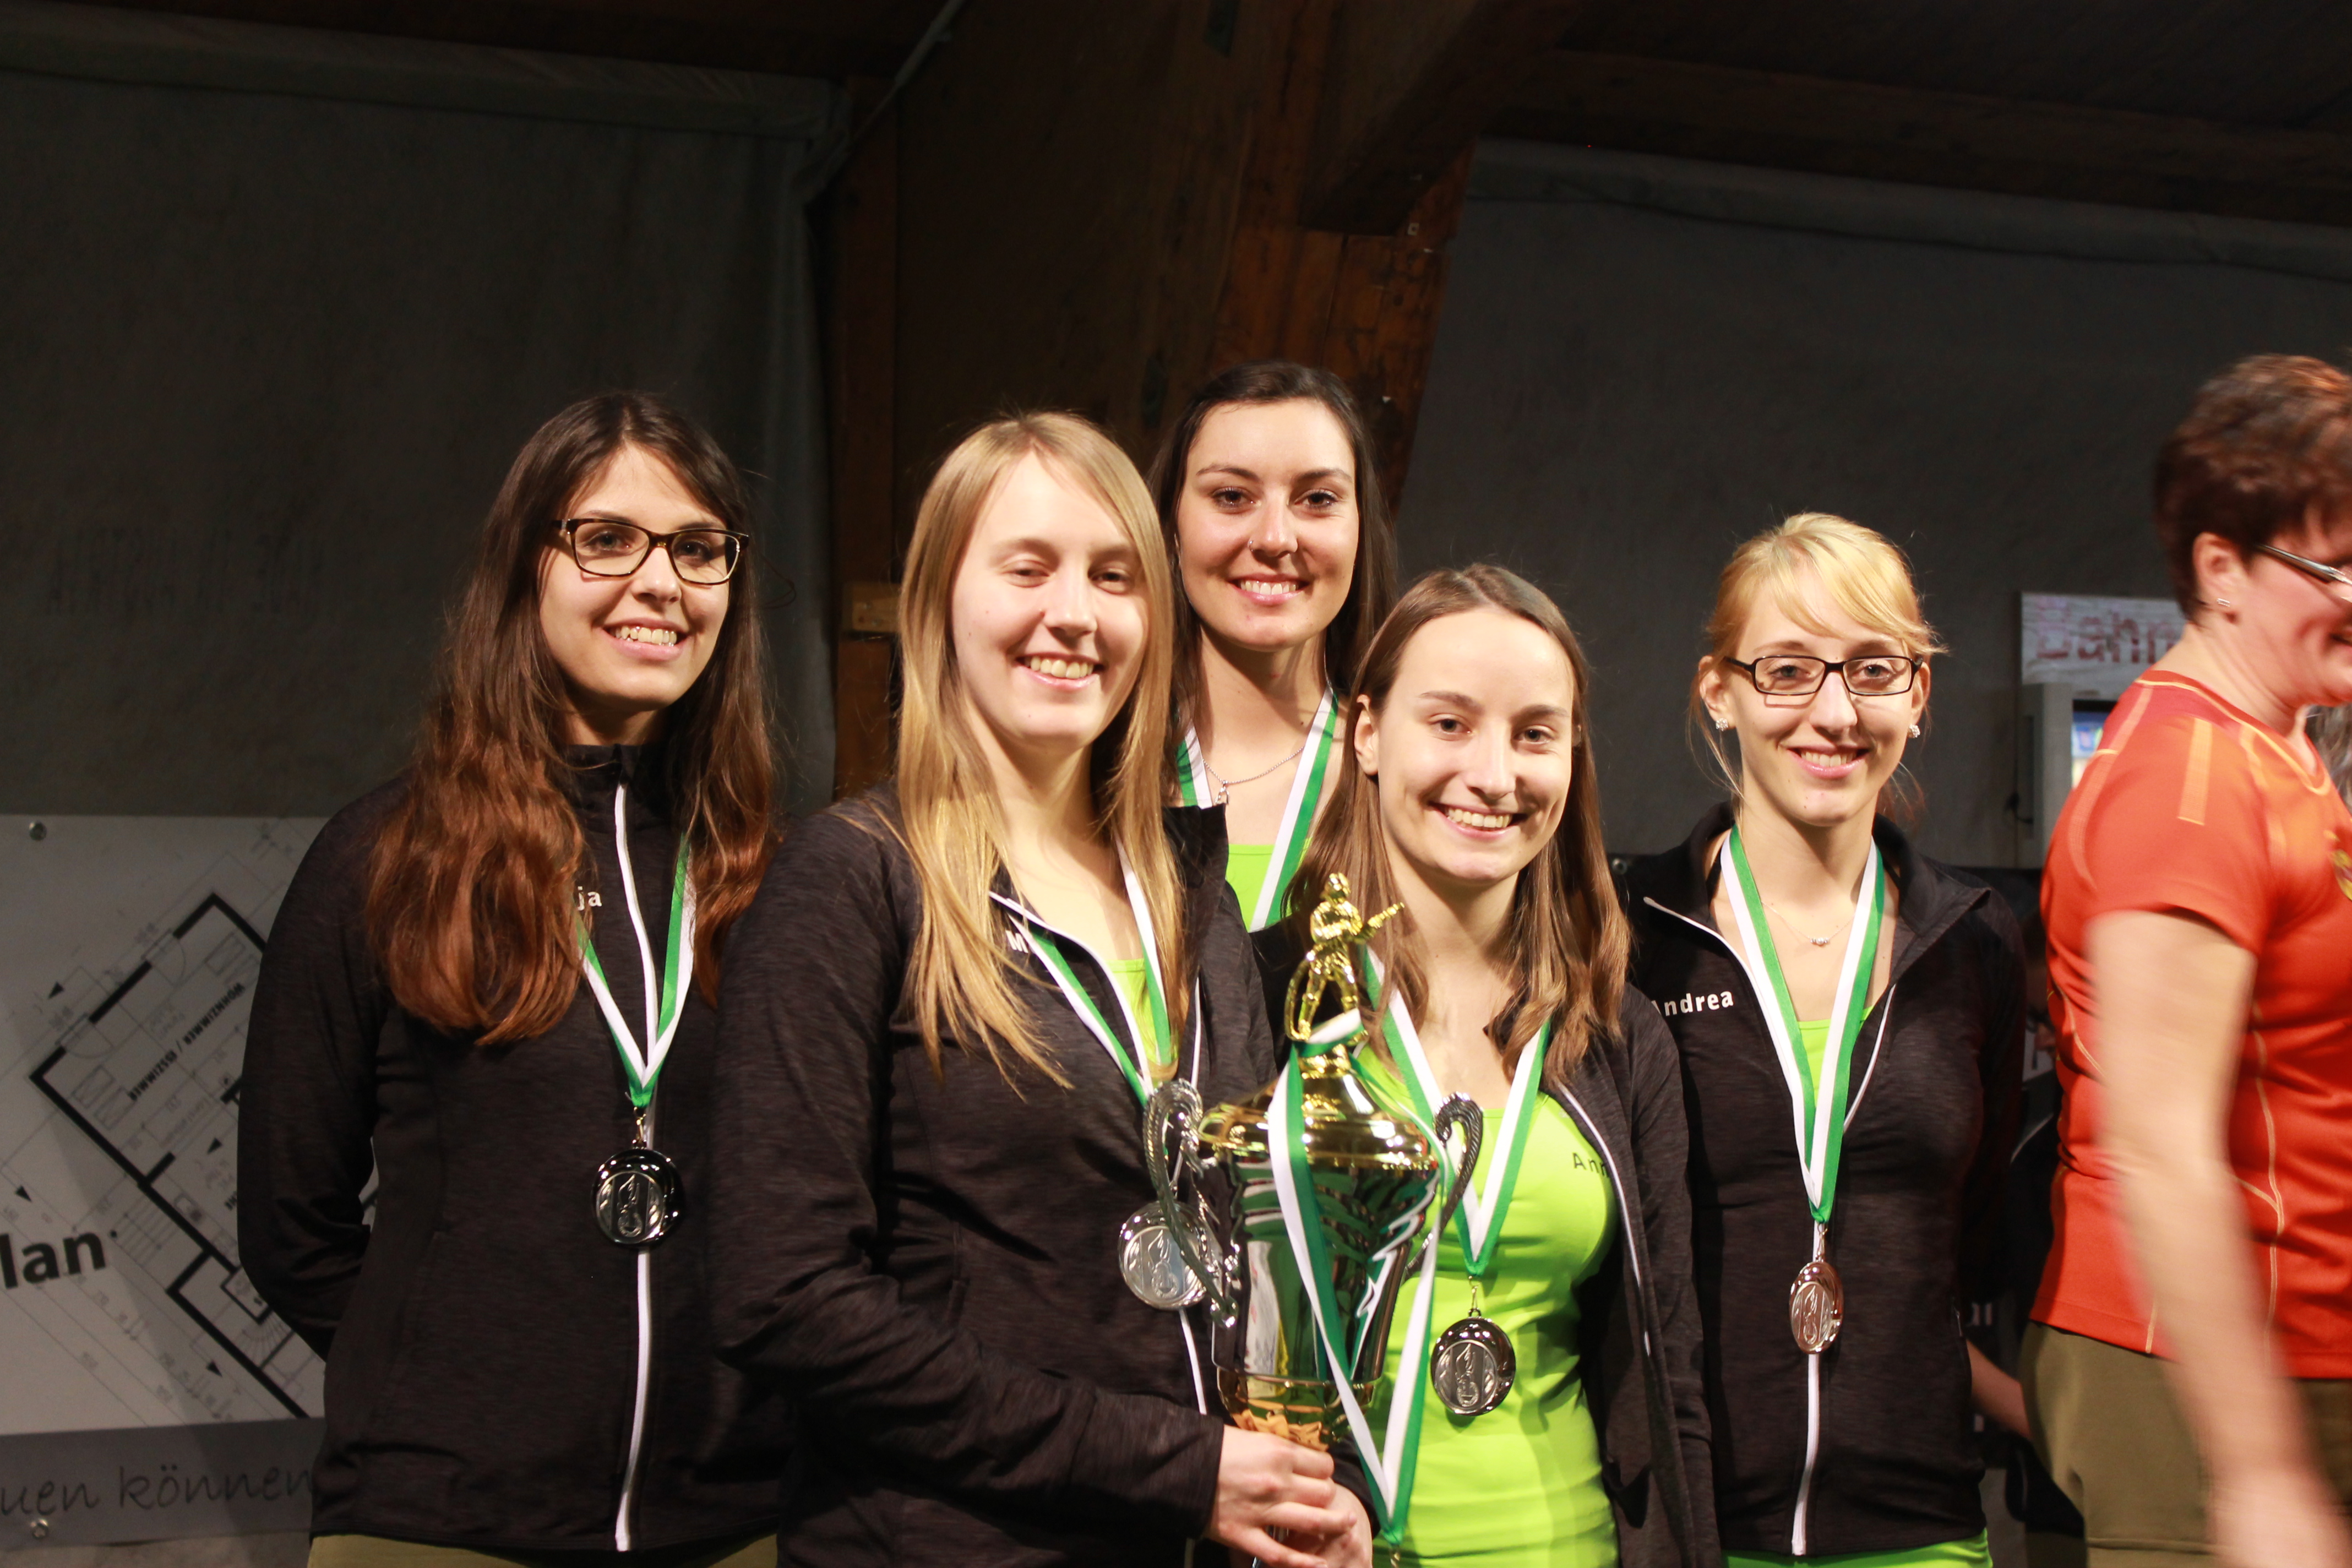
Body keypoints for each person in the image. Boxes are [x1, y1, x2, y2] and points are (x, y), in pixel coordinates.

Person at [705, 412, 1370, 1568]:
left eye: (1114, 576)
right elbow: (784, 1297)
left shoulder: (1193, 899)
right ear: (938, 603)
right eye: (1028, 568)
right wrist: (1167, 1465)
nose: (1075, 613)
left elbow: (1267, 1241)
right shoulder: (855, 878)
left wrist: (1317, 1479)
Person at [238, 394, 788, 1565]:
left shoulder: (780, 878)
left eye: (698, 548)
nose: (659, 582)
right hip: (443, 1527)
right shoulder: (387, 857)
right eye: (607, 539)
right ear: (524, 566)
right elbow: (291, 1226)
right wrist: (447, 1387)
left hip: (734, 1525)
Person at [1254, 565, 1715, 1568]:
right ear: (1367, 732)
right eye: (1450, 724)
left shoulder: (1616, 1035)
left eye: (1535, 733)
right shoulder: (1266, 996)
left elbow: (1668, 1375)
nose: (1495, 774)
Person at [1623, 513, 2026, 1567]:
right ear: (1719, 690)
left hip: (1926, 1527)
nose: (1834, 712)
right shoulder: (1629, 936)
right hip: (1695, 1530)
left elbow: (1974, 1237)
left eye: (1872, 669)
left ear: (1917, 694)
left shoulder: (1974, 939)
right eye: (1788, 669)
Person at [2026, 355, 2352, 1568]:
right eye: (2338, 568)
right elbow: (2160, 1147)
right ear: (2220, 569)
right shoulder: (2189, 783)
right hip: (2206, 1379)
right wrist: (2260, 1472)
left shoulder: (2281, 748)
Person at [1149, 361, 1397, 928]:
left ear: (1361, 527)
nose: (1275, 539)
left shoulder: (1403, 778)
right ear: (1172, 522)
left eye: (1318, 499)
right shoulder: (1091, 765)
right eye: (1232, 496)